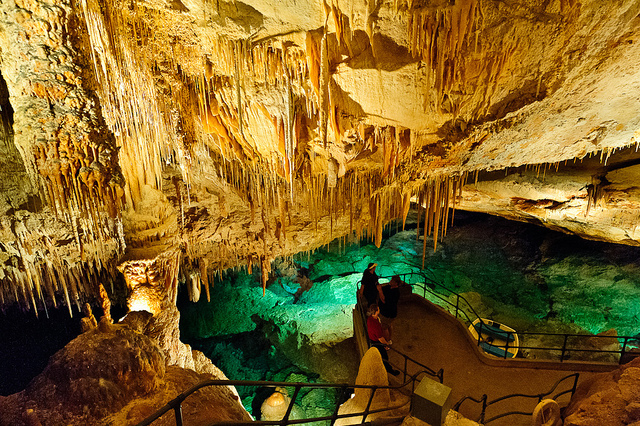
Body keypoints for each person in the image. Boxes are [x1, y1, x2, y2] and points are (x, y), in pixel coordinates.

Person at [366, 303, 400, 376]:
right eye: (378, 309)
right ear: (375, 312)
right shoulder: (375, 326)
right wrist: (386, 344)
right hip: (376, 342)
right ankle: (389, 370)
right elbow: (380, 338)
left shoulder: (370, 319)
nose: (379, 310)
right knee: (384, 357)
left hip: (372, 340)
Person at [379, 275, 404, 340]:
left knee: (384, 328)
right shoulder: (389, 287)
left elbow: (384, 300)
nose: (390, 281)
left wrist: (380, 291)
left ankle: (387, 342)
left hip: (388, 313)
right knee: (389, 325)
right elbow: (383, 288)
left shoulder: (395, 292)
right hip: (391, 313)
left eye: (392, 281)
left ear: (396, 283)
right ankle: (389, 339)